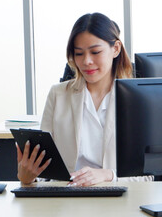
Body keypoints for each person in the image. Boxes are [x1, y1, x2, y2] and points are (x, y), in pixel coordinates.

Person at [16, 12, 152, 186]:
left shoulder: (137, 100)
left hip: (116, 200)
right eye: (79, 54)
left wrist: (108, 175)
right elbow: (44, 171)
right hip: (67, 200)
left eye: (95, 52)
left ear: (116, 49)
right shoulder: (58, 95)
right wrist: (27, 177)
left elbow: (147, 176)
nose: (87, 61)